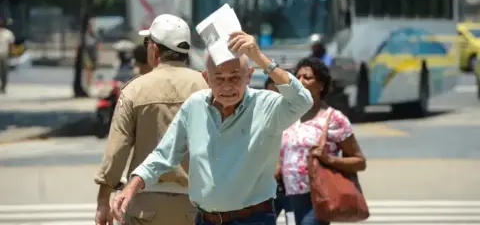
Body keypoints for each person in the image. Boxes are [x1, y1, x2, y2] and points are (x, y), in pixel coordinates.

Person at [111, 31, 314, 225]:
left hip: (253, 218)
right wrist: (131, 187)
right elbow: (164, 154)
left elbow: (303, 100)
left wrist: (260, 58)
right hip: (205, 219)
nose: (227, 86)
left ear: (249, 75)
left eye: (234, 77)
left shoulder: (266, 105)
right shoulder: (194, 106)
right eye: (219, 78)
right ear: (206, 78)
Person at [94, 14, 209, 225]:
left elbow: (116, 151)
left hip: (144, 205)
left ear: (154, 49)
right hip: (198, 205)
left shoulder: (134, 90)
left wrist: (103, 201)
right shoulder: (207, 87)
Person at [279, 57, 366, 225]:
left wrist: (329, 159)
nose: (301, 81)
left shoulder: (334, 118)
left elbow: (359, 161)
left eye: (307, 77)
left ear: (321, 85)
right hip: (290, 195)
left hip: (318, 195)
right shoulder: (289, 115)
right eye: (298, 77)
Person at [264, 77, 294, 225]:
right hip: (267, 191)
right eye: (272, 92)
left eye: (280, 93)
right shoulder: (259, 120)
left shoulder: (299, 118)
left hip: (294, 190)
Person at [0, 18, 14, 93]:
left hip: (4, 54)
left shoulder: (8, 33)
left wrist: (11, 53)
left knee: (4, 72)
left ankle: (3, 87)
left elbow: (11, 44)